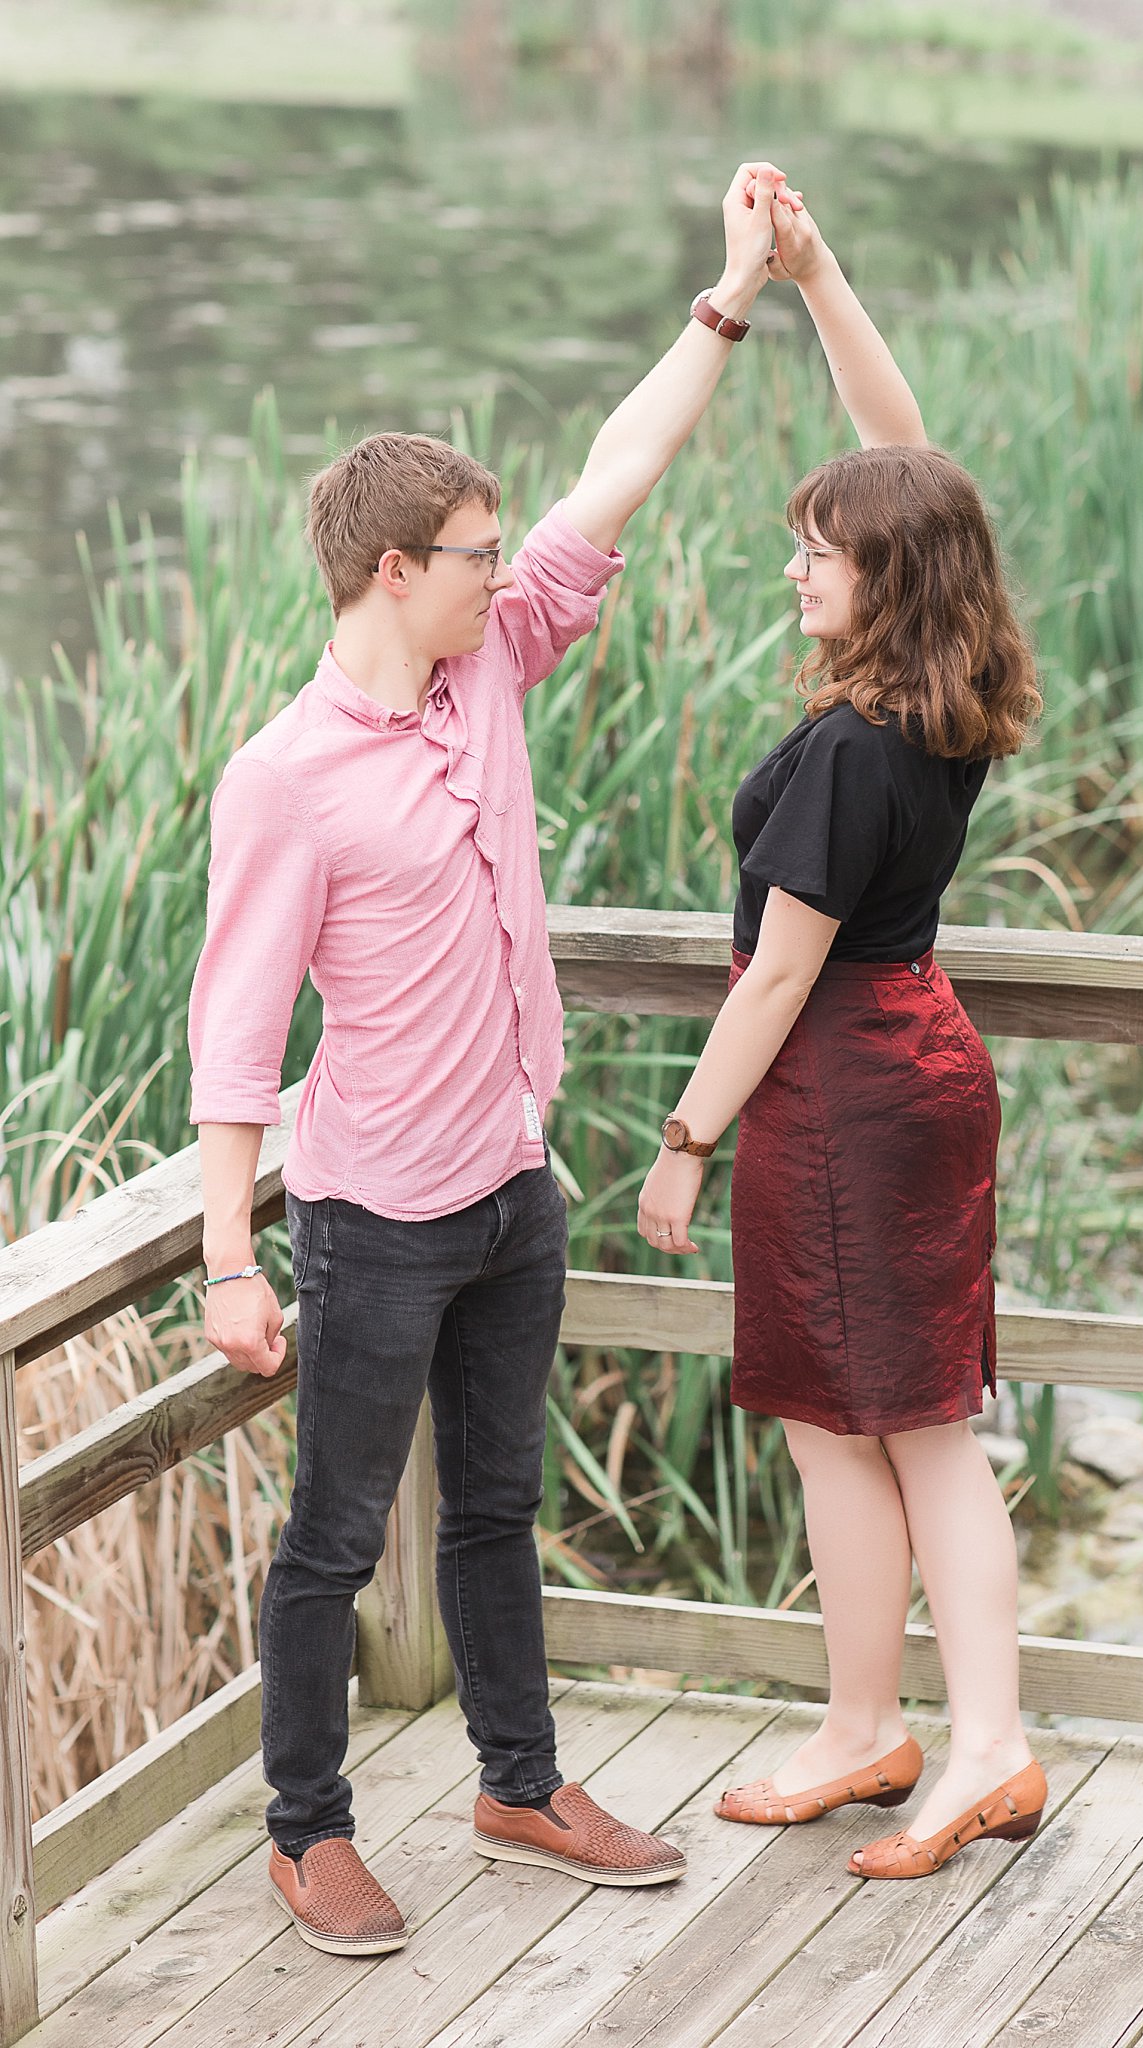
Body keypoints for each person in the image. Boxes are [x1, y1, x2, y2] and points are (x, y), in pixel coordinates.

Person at [187, 161, 795, 1955]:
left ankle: (518, 1784)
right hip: (370, 1212)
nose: (500, 567)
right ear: (395, 569)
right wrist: (231, 1255)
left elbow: (620, 471)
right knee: (332, 1536)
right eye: (472, 549)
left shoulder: (490, 670)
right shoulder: (284, 777)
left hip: (511, 1187)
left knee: (502, 1506)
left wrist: (729, 292)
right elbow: (233, 1038)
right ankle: (308, 1831)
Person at [636, 180, 1048, 1882]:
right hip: (915, 1063)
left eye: (816, 546)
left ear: (880, 575)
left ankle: (984, 1747)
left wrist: (680, 1142)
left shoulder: (848, 750)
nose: (792, 562)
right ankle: (867, 1726)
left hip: (843, 1085)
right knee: (851, 1416)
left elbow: (773, 976)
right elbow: (915, 464)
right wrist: (811, 278)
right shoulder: (933, 703)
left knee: (914, 1424)